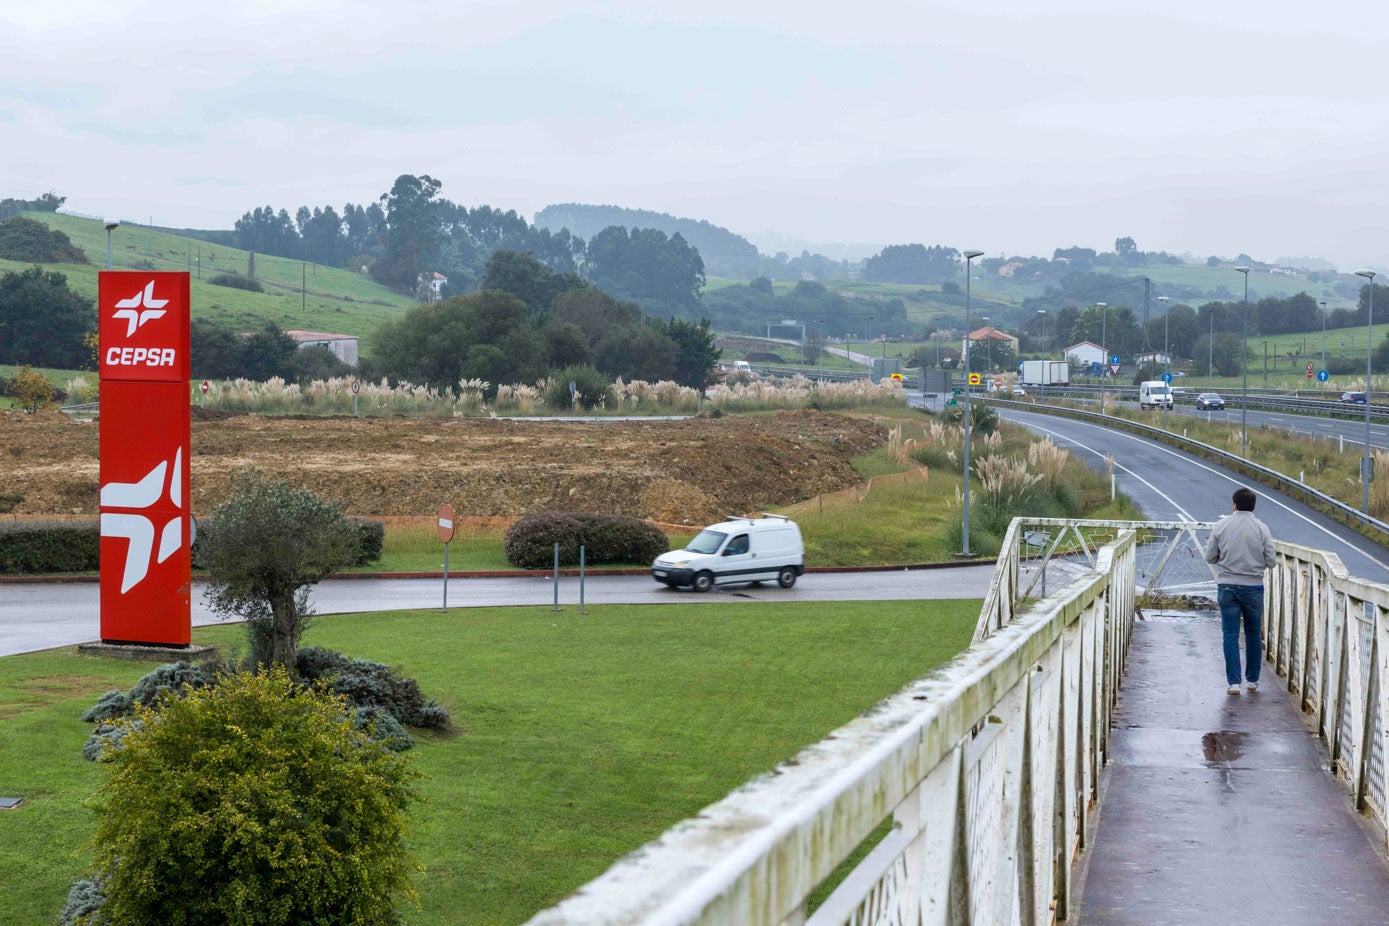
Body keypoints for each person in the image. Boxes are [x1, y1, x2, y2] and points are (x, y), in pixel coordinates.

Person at [1204, 487, 1276, 695]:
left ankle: (1233, 683)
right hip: (1253, 586)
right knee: (1253, 632)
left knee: (1230, 634)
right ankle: (1252, 680)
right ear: (1253, 506)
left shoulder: (1221, 525)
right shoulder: (1262, 528)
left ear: (1234, 505)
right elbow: (1271, 561)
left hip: (1227, 585)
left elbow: (1210, 557)